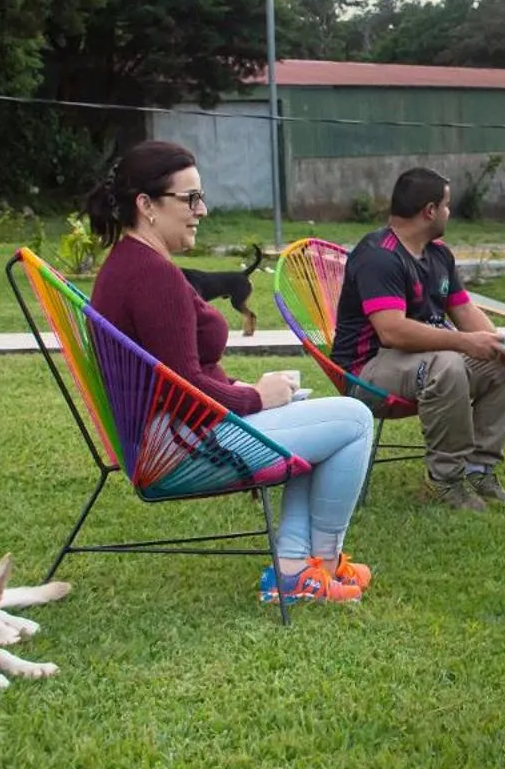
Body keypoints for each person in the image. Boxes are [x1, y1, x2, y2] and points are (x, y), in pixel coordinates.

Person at [85, 141, 378, 606]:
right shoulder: (150, 275)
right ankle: (315, 566)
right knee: (356, 419)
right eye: (190, 199)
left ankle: (297, 569)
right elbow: (185, 391)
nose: (201, 210)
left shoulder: (131, 265)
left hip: (167, 436)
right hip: (177, 446)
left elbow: (176, 375)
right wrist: (257, 399)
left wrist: (241, 389)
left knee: (315, 414)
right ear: (146, 205)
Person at [329, 167, 505, 512]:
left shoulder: (438, 255)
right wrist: (466, 344)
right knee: (447, 363)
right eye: (447, 205)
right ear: (430, 211)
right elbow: (391, 331)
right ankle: (444, 481)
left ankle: (479, 469)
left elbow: (464, 313)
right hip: (367, 370)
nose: (450, 213)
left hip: (424, 361)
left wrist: (500, 343)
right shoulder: (379, 255)